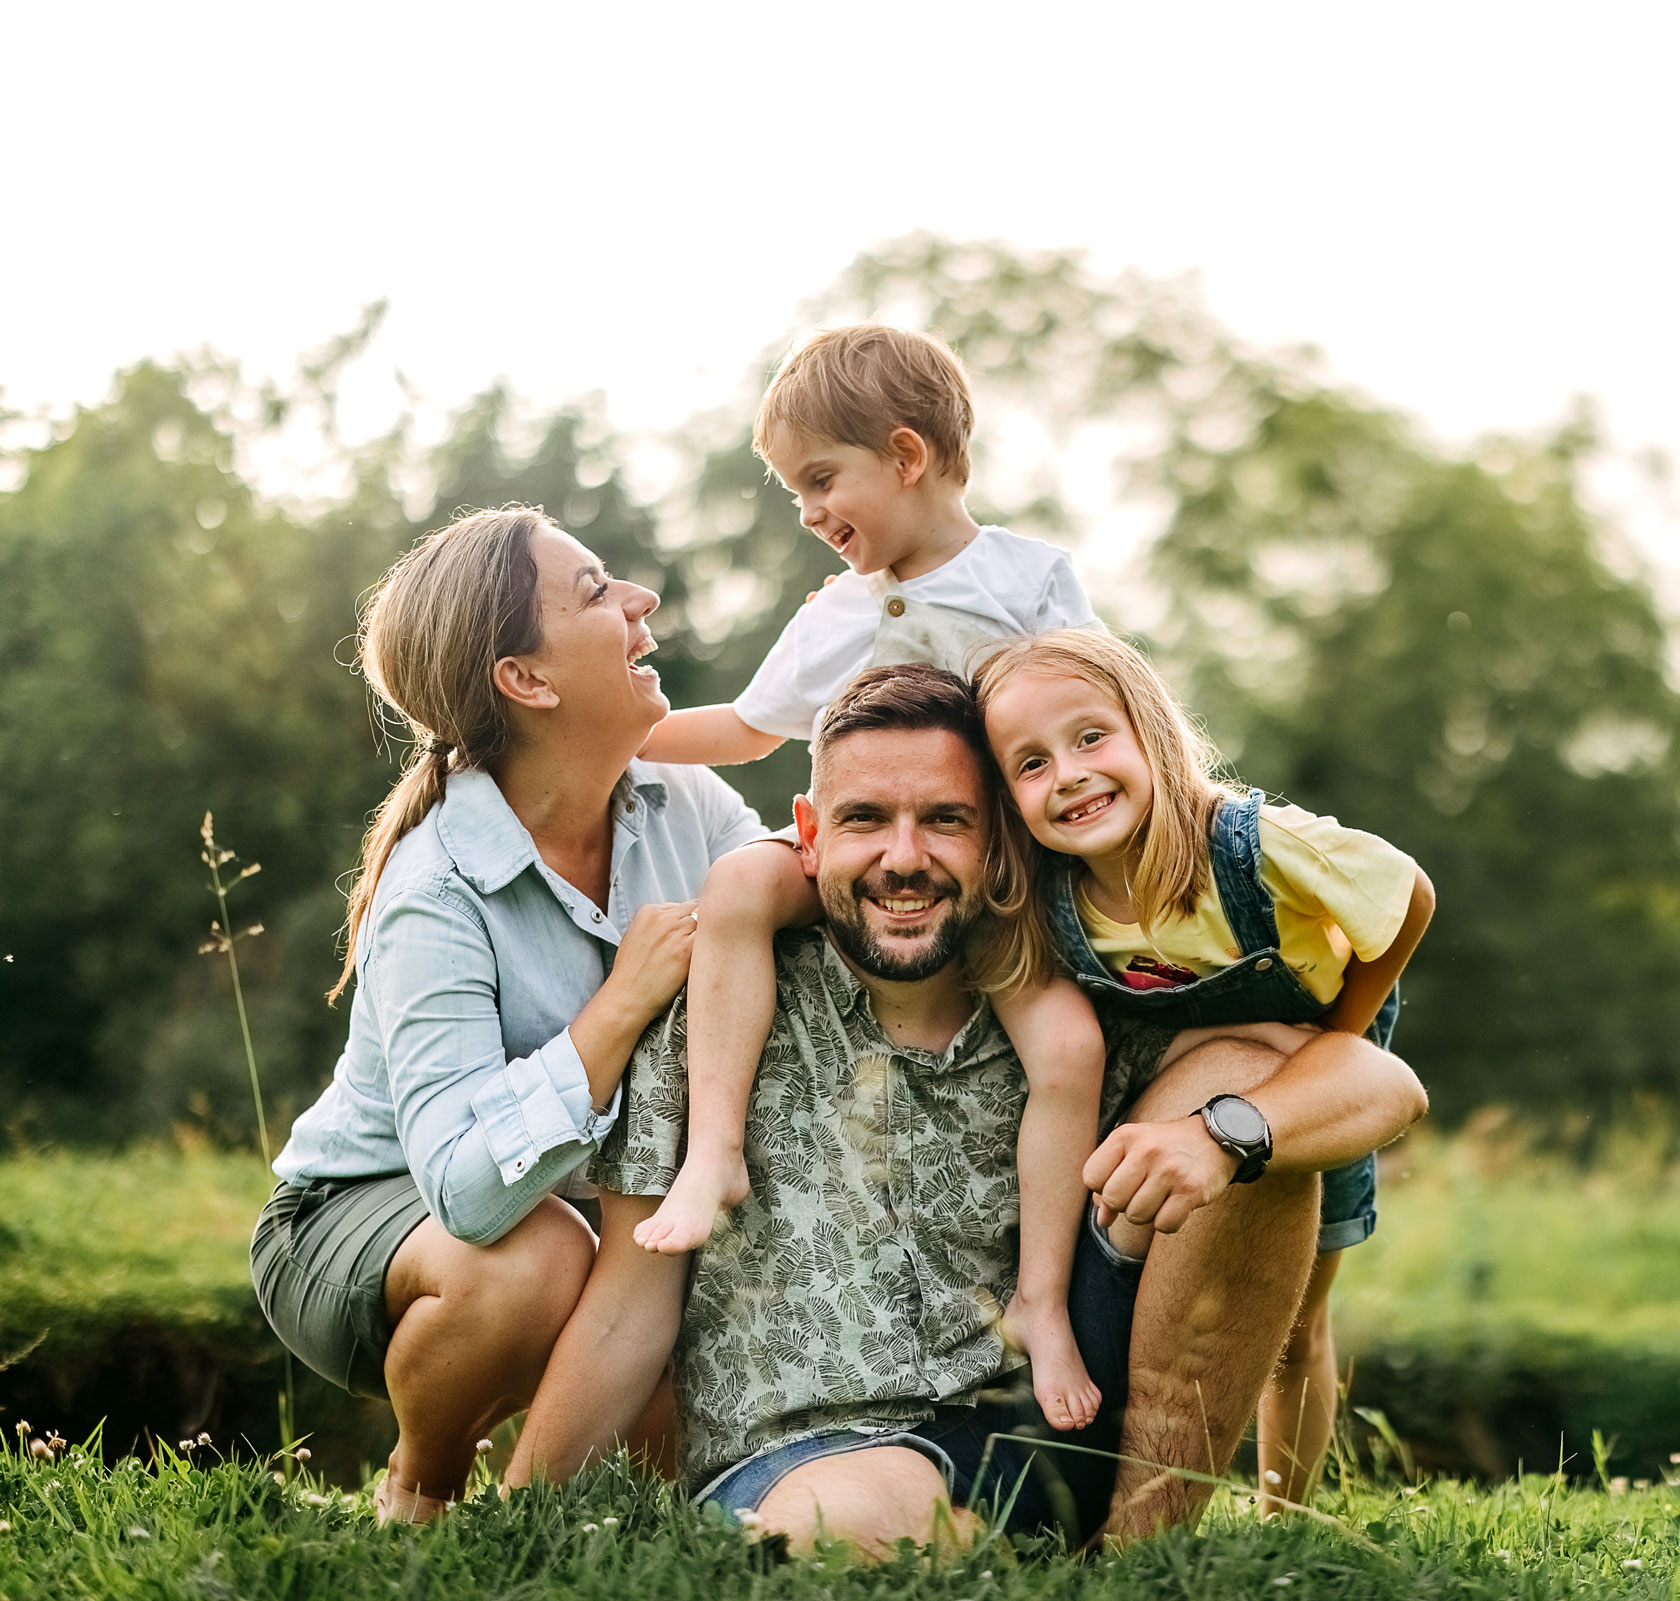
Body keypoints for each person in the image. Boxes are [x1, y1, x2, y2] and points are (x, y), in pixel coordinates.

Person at [508, 664, 1429, 1554]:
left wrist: (1222, 1137)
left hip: (1065, 1404)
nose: (904, 859)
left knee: (1254, 1106)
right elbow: (629, 1309)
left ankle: (1144, 1558)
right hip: (816, 1455)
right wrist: (514, 1519)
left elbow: (1382, 1085)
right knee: (850, 1530)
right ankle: (911, 1546)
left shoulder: (1076, 1000)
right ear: (809, 832)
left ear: (996, 840)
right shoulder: (713, 1018)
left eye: (945, 821)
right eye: (866, 819)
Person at [630, 324, 1112, 1433]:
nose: (807, 512)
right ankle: (713, 1155)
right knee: (744, 889)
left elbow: (1097, 712)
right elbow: (751, 730)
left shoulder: (1028, 578)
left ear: (905, 453)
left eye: (818, 480)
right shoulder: (835, 615)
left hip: (988, 882)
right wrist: (620, 737)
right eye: (793, 490)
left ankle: (1038, 1299)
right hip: (856, 865)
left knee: (1072, 1048)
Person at [248, 506, 769, 1524]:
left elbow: (775, 916)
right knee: (533, 1266)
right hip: (367, 1215)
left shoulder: (687, 803)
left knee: (681, 1344)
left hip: (579, 1212)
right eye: (594, 590)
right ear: (527, 680)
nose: (639, 601)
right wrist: (617, 1007)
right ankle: (424, 1487)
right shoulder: (435, 885)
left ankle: (537, 1514)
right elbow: (463, 1191)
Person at [974, 628, 1436, 1514]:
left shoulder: (1251, 845)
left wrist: (1341, 1031)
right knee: (1195, 1290)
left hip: (1310, 1085)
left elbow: (1407, 890)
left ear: (1148, 730)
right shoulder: (1056, 895)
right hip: (1187, 1085)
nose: (1068, 774)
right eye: (1030, 765)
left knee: (1299, 1318)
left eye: (1090, 738)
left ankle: (1284, 1508)